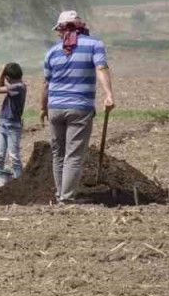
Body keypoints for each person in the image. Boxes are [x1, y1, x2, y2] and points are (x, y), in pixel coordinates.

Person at [41, 11, 115, 204]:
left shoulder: (51, 52)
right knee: (73, 155)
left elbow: (46, 84)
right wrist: (108, 94)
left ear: (61, 29)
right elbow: (101, 68)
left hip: (55, 107)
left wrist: (43, 108)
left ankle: (60, 195)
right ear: (80, 27)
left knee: (58, 153)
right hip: (80, 107)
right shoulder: (94, 45)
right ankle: (66, 198)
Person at [0, 62, 27, 178]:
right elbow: (1, 85)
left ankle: (19, 181)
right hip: (2, 123)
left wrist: (2, 71)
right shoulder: (17, 86)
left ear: (8, 78)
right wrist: (4, 75)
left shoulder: (19, 87)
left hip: (12, 126)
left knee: (13, 157)